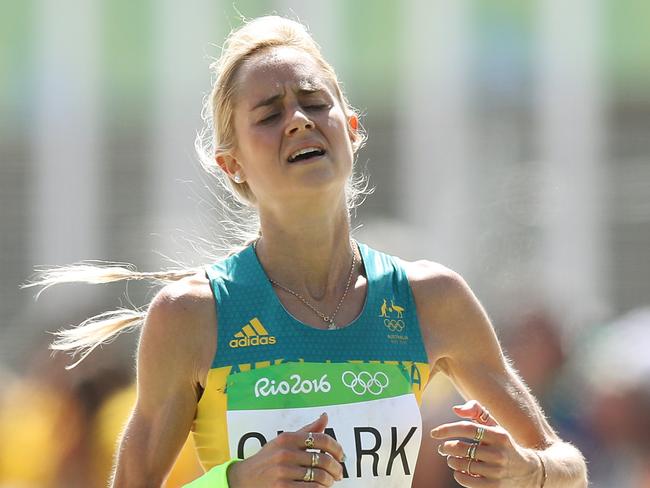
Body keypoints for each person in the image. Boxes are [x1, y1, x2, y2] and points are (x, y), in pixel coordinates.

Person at [26, 15, 588, 488]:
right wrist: (235, 480)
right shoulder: (192, 314)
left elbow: (570, 469)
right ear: (233, 165)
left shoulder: (431, 298)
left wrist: (526, 470)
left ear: (351, 128)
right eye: (269, 115)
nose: (297, 120)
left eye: (315, 103)